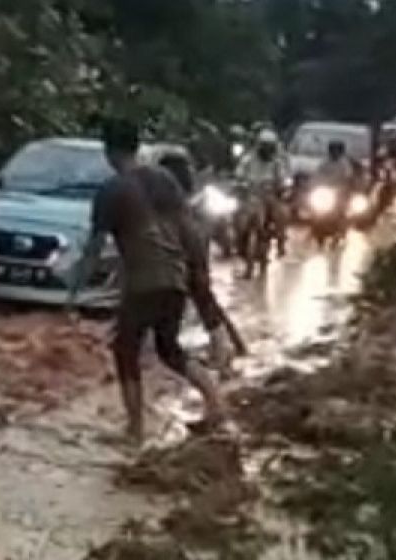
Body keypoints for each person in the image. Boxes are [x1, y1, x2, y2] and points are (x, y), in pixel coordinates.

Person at [68, 120, 226, 444]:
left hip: (143, 283)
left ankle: (135, 429)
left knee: (125, 351)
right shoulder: (165, 180)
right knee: (169, 349)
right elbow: (189, 230)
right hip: (176, 281)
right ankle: (215, 403)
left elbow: (94, 248)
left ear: (109, 152)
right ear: (138, 147)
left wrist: (74, 289)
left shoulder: (112, 191)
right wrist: (198, 274)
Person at [157, 151, 236, 377]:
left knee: (202, 305)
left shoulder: (181, 202)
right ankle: (223, 352)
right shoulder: (191, 199)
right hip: (193, 259)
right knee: (205, 305)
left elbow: (201, 234)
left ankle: (221, 354)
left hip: (187, 260)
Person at [235, 128, 292, 259]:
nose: (266, 150)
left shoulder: (277, 162)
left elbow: (283, 177)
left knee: (282, 214)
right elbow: (239, 172)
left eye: (269, 147)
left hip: (269, 196)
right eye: (264, 146)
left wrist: (282, 186)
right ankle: (238, 242)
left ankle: (280, 243)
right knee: (237, 215)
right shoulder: (248, 159)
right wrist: (240, 183)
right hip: (251, 196)